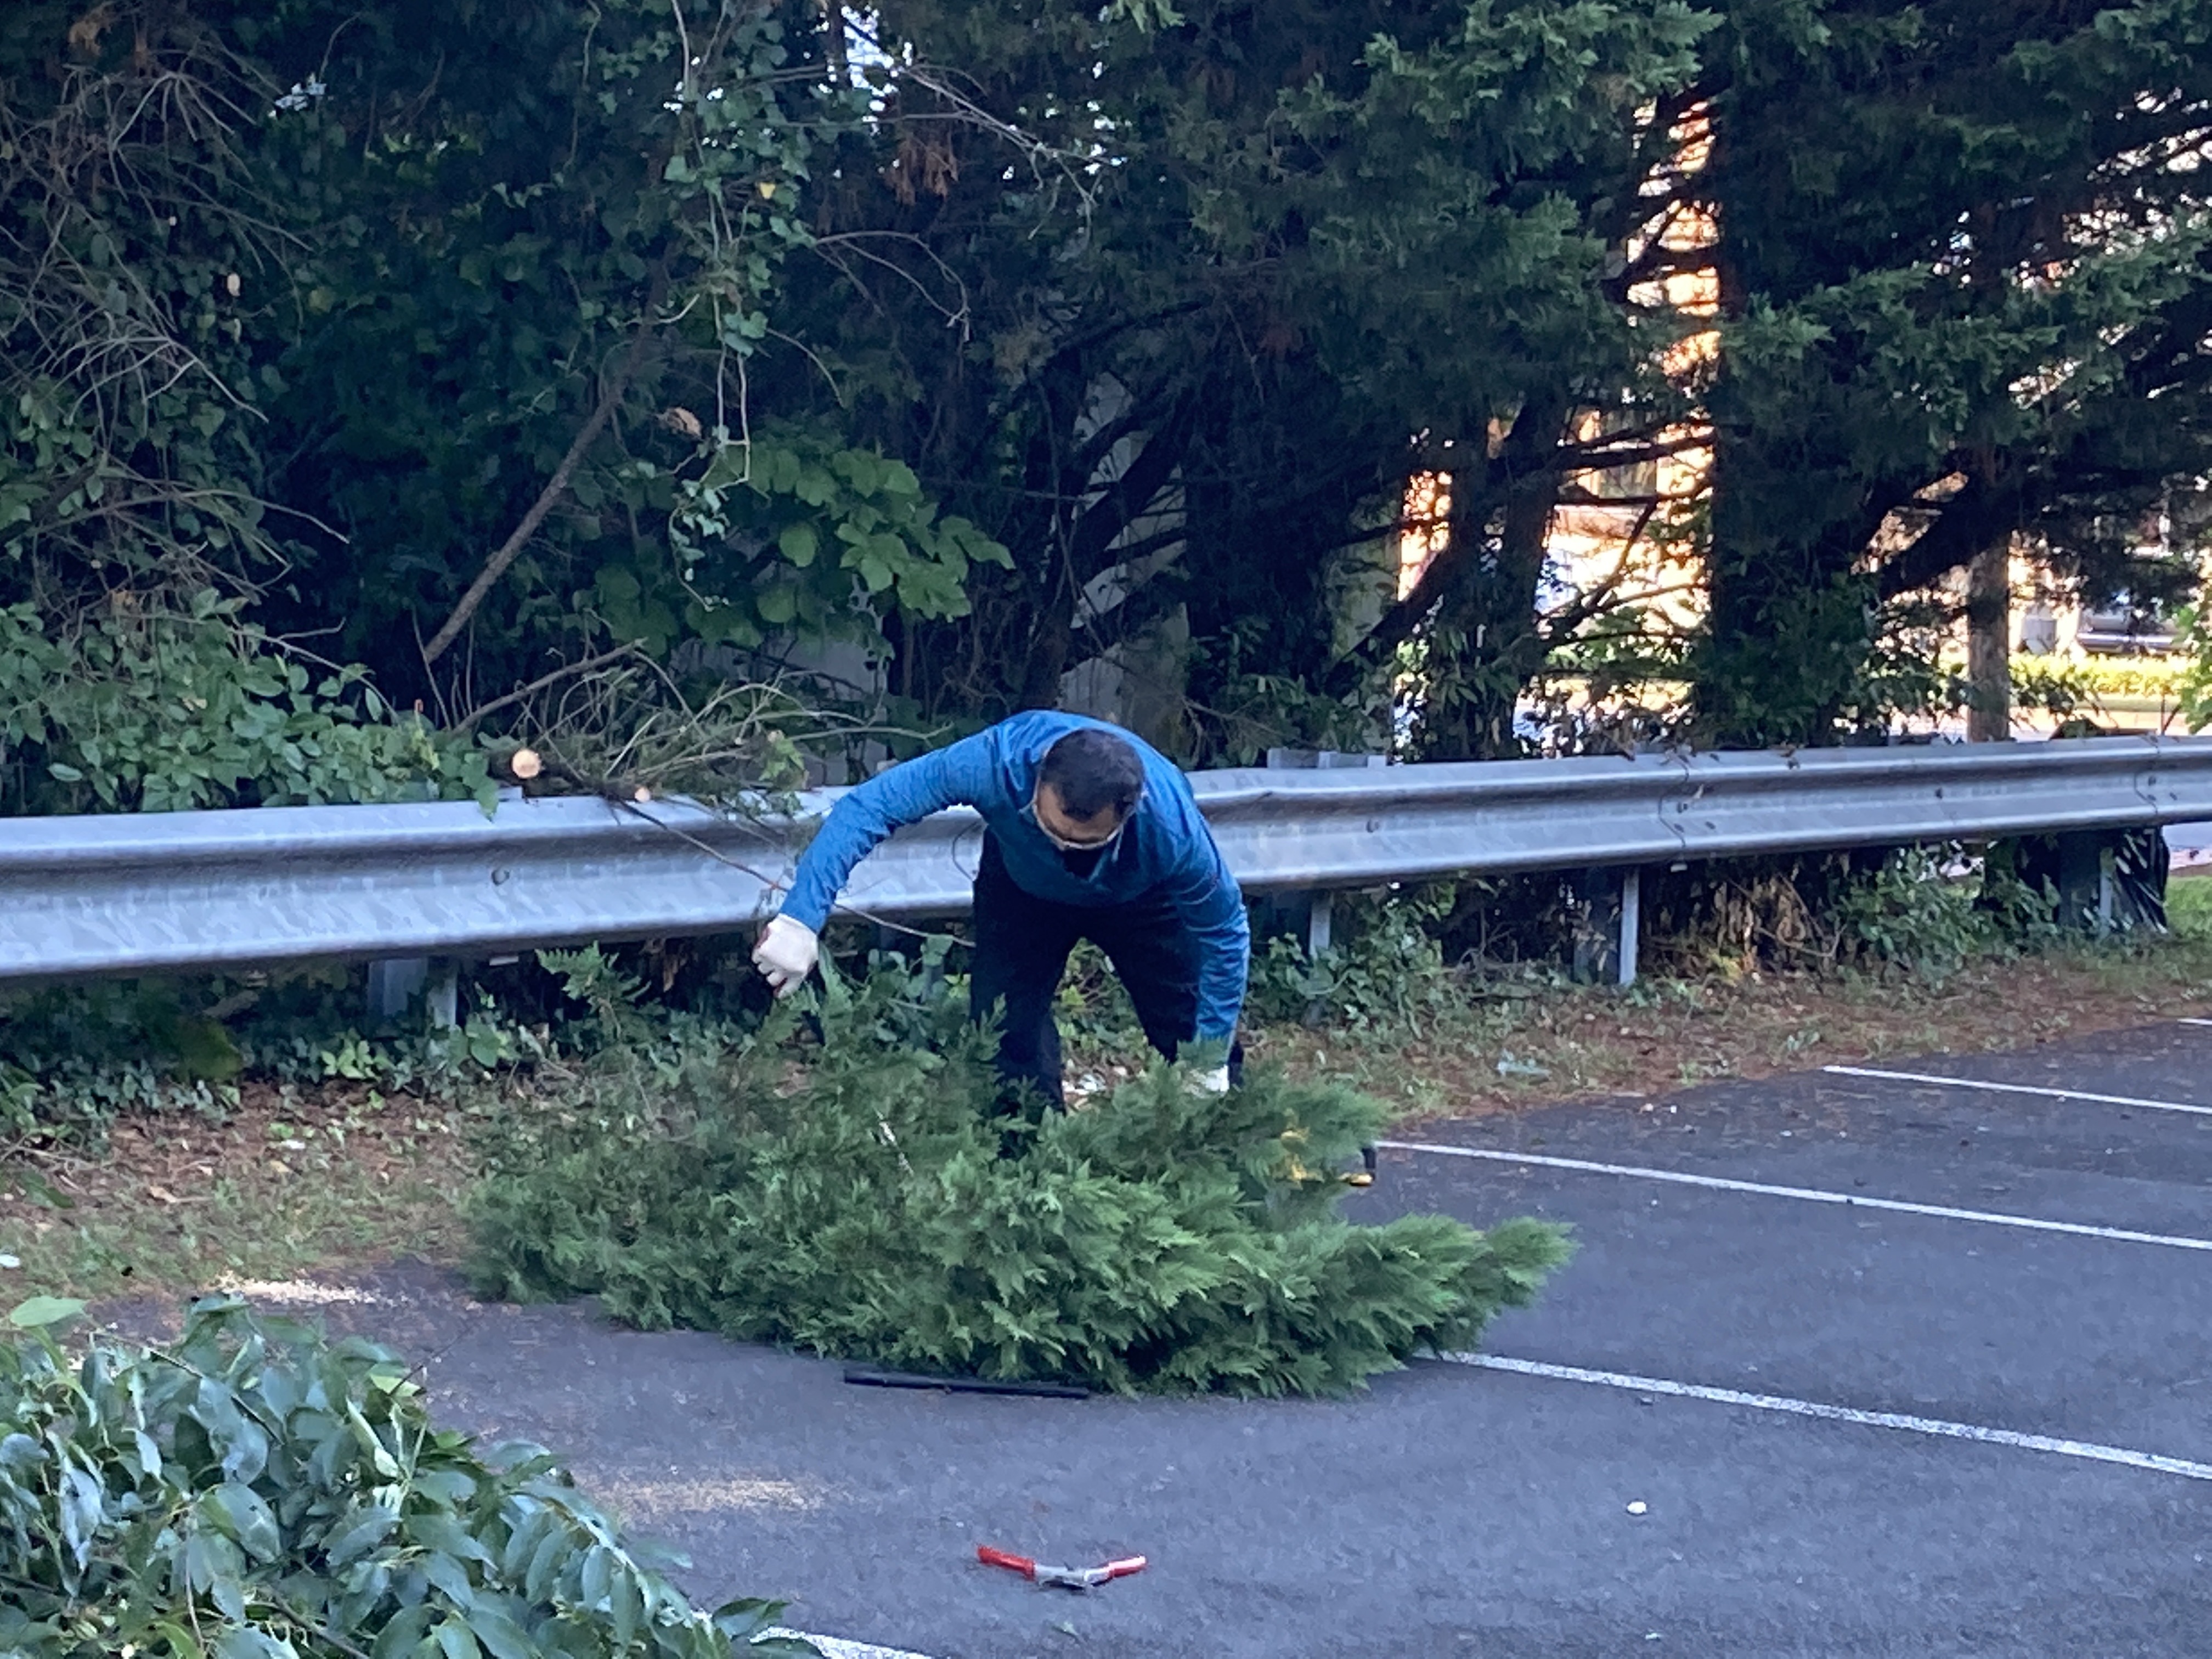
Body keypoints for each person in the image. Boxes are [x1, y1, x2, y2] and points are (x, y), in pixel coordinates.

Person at [751, 712, 1248, 1104]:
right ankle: (1027, 1172)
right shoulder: (994, 761)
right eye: (1053, 830)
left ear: (1126, 813)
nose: (1064, 848)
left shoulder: (1172, 829)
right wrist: (800, 917)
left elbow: (1225, 931)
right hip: (1023, 890)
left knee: (1192, 1034)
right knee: (1006, 1037)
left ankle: (1227, 1165)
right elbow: (869, 807)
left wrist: (1209, 1057)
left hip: (1140, 897)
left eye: (1081, 843)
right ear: (1039, 778)